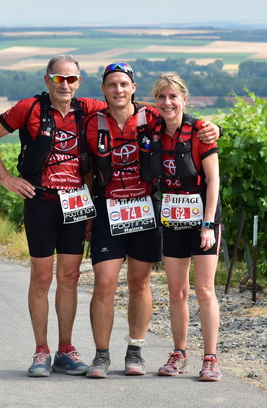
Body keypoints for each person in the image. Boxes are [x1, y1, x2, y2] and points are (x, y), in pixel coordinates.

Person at [83, 63, 220, 379]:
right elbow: (86, 167)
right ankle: (102, 356)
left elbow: (191, 125)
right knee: (105, 282)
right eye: (112, 84)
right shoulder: (93, 121)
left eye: (124, 84)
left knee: (144, 282)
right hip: (112, 208)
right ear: (103, 90)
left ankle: (137, 352)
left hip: (149, 208)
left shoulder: (152, 117)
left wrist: (216, 128)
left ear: (133, 88)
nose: (118, 90)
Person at [0, 54, 107, 377]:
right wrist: (6, 179)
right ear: (47, 80)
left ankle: (66, 349)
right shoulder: (29, 108)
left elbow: (131, 104)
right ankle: (40, 351)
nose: (66, 85)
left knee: (70, 277)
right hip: (41, 201)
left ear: (79, 82)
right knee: (42, 278)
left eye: (72, 79)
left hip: (76, 204)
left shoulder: (87, 108)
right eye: (59, 79)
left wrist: (197, 124)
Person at [149, 73, 222, 382]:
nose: (167, 102)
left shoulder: (200, 132)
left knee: (204, 289)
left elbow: (214, 181)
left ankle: (211, 358)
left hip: (203, 219)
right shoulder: (152, 130)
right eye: (161, 97)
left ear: (184, 99)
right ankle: (179, 353)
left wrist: (207, 226)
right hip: (174, 218)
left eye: (173, 97)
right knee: (177, 291)